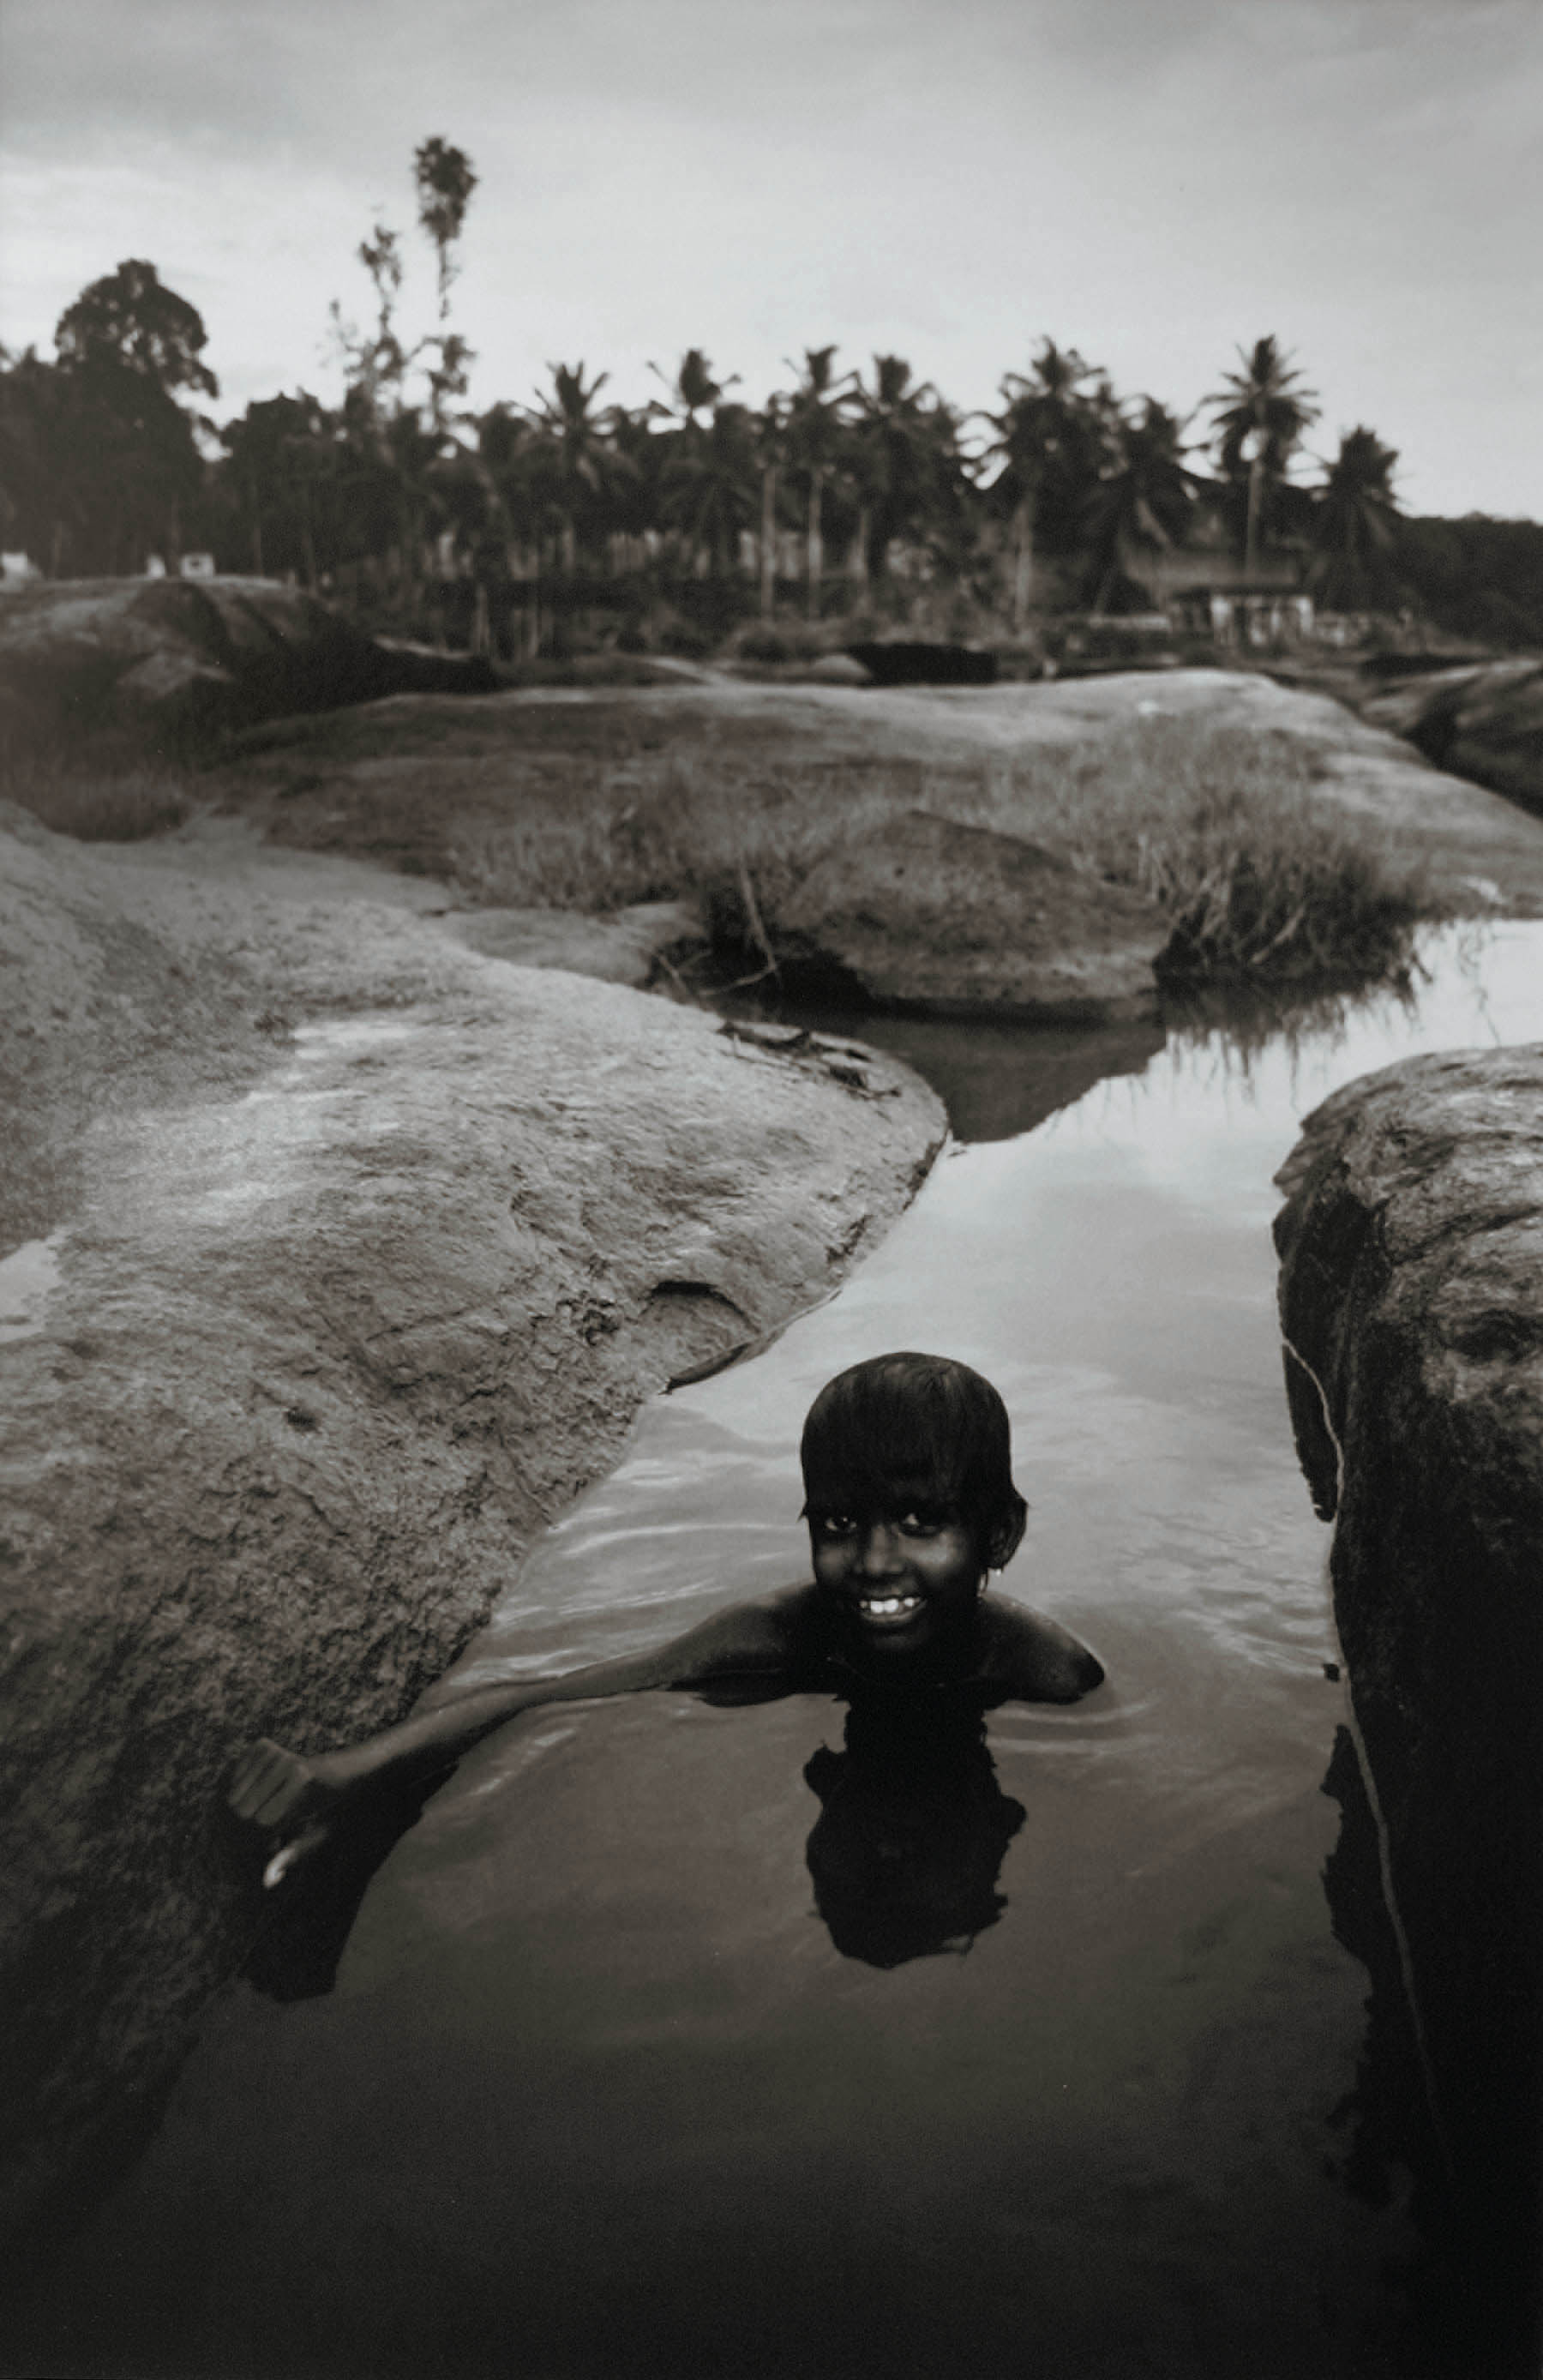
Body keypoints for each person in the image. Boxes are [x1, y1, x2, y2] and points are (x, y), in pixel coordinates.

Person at [228, 1351, 1105, 1886]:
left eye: (920, 1522)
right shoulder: (787, 1635)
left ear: (999, 1534)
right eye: (839, 1523)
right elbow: (540, 1696)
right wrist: (350, 1776)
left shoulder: (1046, 1673)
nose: (874, 1561)